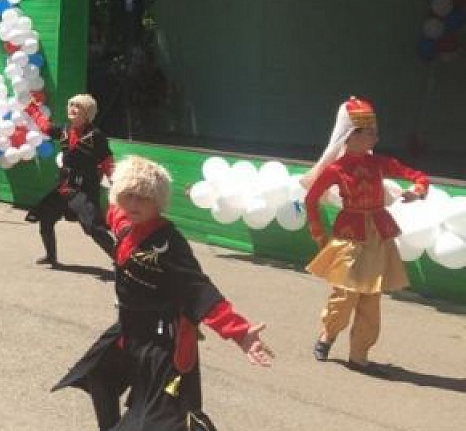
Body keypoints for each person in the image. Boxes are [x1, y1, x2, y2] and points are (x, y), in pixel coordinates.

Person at [53, 156, 273, 431]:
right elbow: (114, 207)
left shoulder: (168, 243)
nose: (134, 204)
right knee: (99, 377)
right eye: (129, 196)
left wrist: (240, 333)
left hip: (162, 344)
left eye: (143, 198)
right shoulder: (125, 224)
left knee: (156, 421)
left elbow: (198, 289)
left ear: (158, 202)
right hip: (128, 331)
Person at [303, 97, 429, 376]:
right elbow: (311, 199)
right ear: (352, 136)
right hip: (350, 235)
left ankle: (359, 353)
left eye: (375, 131)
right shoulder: (336, 169)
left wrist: (416, 191)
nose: (376, 137)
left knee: (371, 296)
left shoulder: (380, 163)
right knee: (345, 294)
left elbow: (418, 176)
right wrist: (319, 235)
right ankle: (328, 334)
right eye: (370, 132)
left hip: (378, 236)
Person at [26, 94, 117, 267]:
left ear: (87, 114)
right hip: (64, 187)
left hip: (84, 189)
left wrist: (115, 181)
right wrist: (32, 109)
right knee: (46, 219)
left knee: (92, 227)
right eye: (71, 105)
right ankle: (51, 257)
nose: (72, 109)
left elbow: (107, 161)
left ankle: (120, 258)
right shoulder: (64, 130)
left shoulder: (95, 136)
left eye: (78, 107)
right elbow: (45, 127)